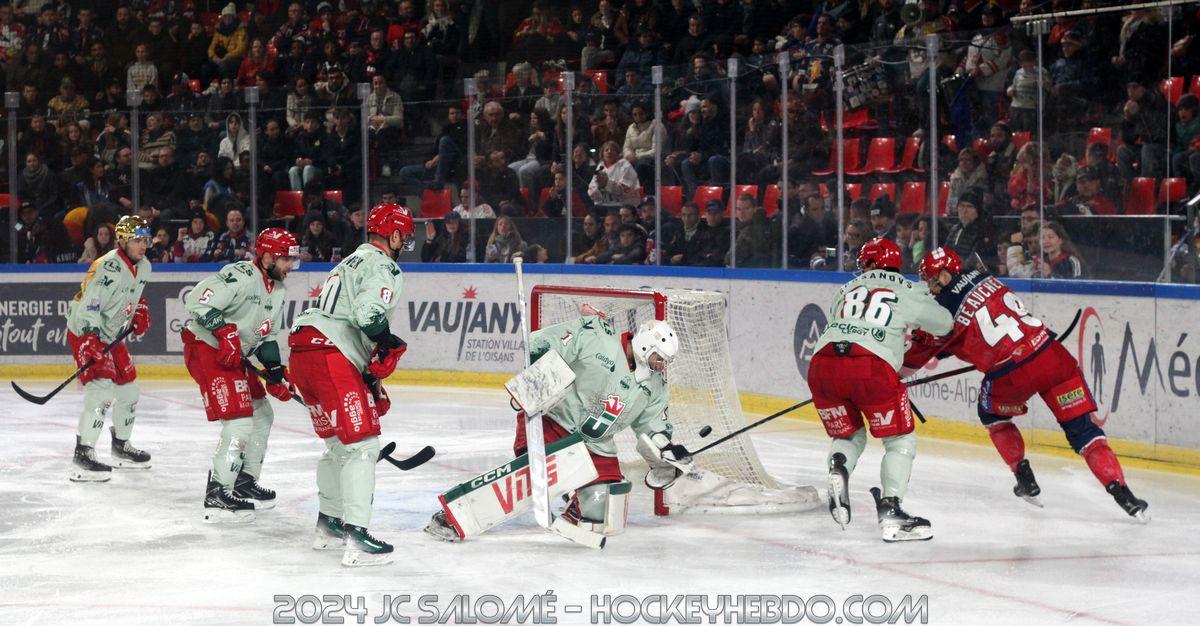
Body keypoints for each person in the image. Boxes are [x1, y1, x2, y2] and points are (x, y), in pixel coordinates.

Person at [907, 248, 1148, 520]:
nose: (930, 288)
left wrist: (892, 375)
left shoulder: (940, 310)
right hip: (1052, 355)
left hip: (1011, 372)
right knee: (1084, 431)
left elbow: (919, 354)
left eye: (931, 281)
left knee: (991, 415)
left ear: (944, 275)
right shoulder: (986, 277)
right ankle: (1123, 493)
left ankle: (1024, 478)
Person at [424, 316, 690, 543]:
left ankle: (575, 504)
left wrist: (667, 448)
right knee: (533, 480)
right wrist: (535, 377)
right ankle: (455, 516)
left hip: (595, 446)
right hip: (553, 424)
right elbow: (544, 344)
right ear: (645, 345)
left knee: (606, 508)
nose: (661, 366)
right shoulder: (598, 336)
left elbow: (653, 424)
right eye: (659, 358)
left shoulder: (655, 386)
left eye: (665, 361)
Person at [289, 203, 415, 567]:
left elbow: (348, 315)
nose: (404, 244)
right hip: (331, 354)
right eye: (404, 237)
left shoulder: (349, 261)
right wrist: (388, 343)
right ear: (393, 235)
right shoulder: (384, 266)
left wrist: (366, 375)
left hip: (304, 351)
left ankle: (328, 524)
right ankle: (356, 537)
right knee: (362, 446)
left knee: (337, 446)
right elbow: (367, 315)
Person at [807, 238, 954, 541]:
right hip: (871, 367)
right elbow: (944, 324)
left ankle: (839, 466)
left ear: (872, 264)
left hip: (822, 365)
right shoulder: (907, 289)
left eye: (864, 263)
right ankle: (891, 510)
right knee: (899, 440)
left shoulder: (846, 289)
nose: (862, 269)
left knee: (848, 435)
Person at [182, 228, 299, 523]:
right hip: (207, 349)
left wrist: (275, 372)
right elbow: (196, 301)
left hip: (236, 355)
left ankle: (243, 481)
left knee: (262, 413)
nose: (290, 266)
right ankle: (217, 493)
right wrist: (224, 331)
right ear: (268, 256)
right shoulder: (241, 275)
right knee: (239, 420)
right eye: (286, 259)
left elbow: (266, 336)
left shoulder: (279, 290)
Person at [64, 216, 155, 482]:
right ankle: (83, 455)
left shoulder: (145, 266)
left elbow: (133, 294)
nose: (143, 245)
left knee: (129, 391)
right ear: (122, 241)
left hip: (111, 335)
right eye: (137, 240)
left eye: (145, 240)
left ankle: (121, 447)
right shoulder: (107, 266)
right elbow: (90, 303)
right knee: (101, 391)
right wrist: (90, 338)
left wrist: (139, 309)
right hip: (86, 331)